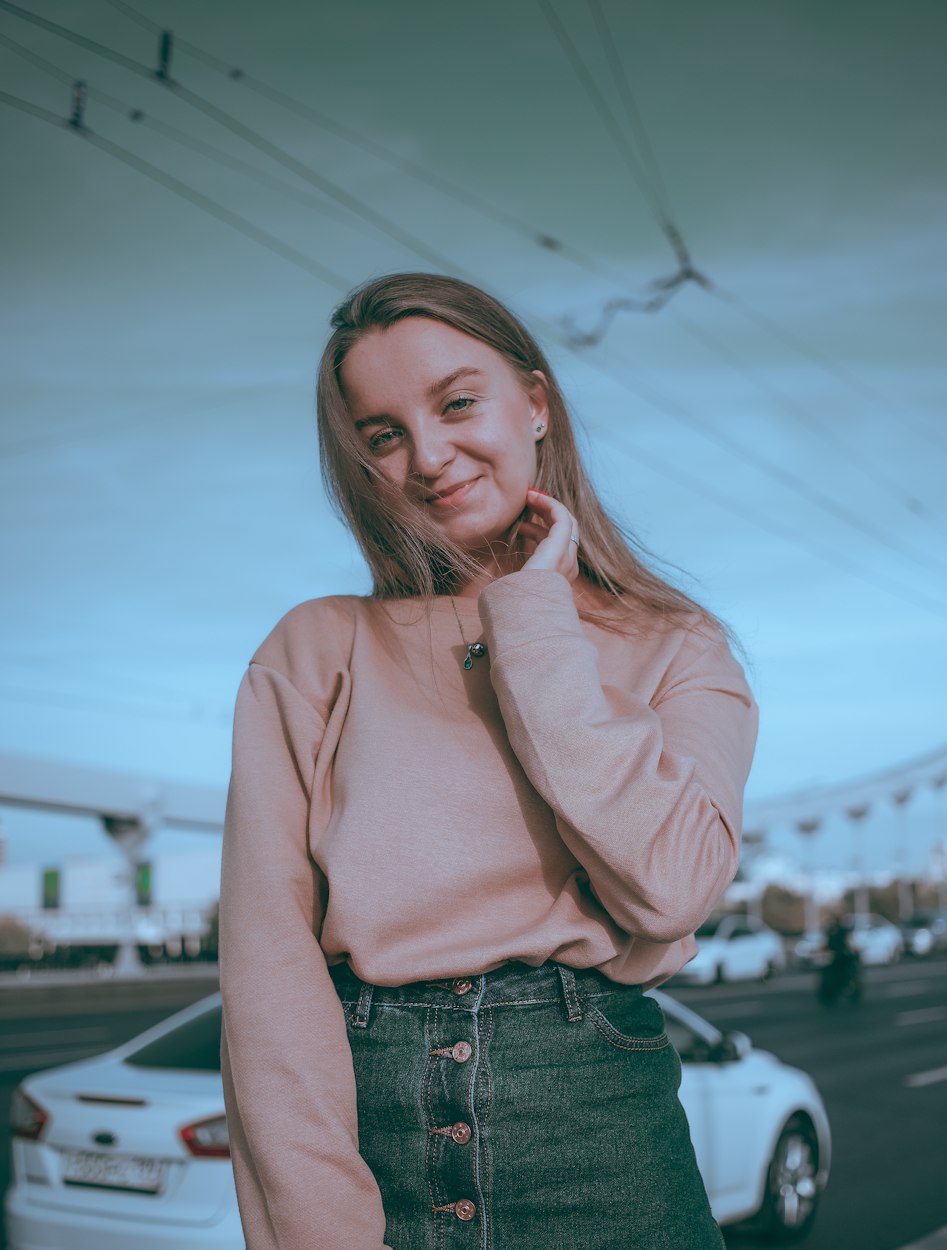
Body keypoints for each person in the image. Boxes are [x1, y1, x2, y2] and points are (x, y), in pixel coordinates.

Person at [218, 272, 759, 1249]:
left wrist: (535, 616)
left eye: (456, 401)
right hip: (372, 1137)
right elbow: (268, 974)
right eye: (381, 433)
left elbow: (670, 888)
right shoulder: (313, 649)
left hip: (599, 1137)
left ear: (536, 403)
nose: (427, 455)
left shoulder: (678, 645)